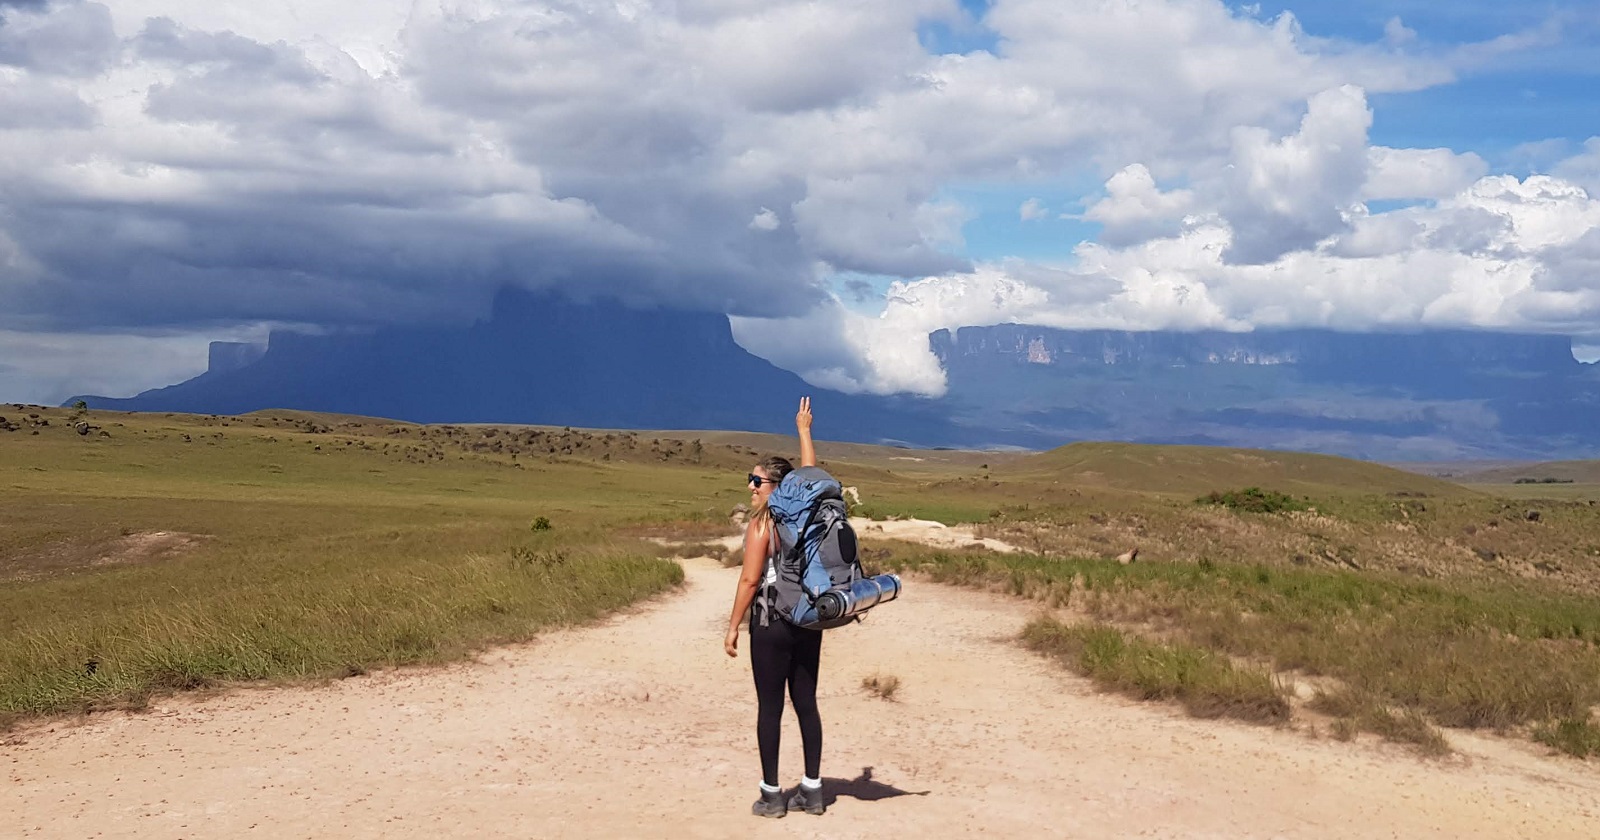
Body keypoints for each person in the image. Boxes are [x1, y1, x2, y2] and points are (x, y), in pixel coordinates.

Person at [723, 396, 826, 818]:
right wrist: (804, 431)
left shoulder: (764, 522)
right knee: (806, 701)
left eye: (757, 481)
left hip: (770, 622)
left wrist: (732, 626)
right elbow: (810, 477)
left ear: (774, 489)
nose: (750, 486)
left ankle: (771, 795)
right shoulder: (806, 514)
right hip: (807, 618)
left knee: (770, 706)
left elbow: (749, 580)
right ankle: (813, 791)